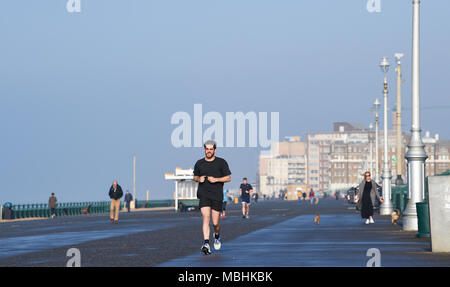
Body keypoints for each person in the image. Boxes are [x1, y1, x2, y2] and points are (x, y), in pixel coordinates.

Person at [194, 140, 231, 255]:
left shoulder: (221, 162)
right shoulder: (199, 163)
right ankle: (206, 243)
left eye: (211, 149)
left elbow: (228, 178)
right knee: (206, 218)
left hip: (216, 195)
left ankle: (217, 236)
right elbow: (195, 176)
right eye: (207, 149)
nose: (209, 151)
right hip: (203, 194)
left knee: (215, 223)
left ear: (214, 150)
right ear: (204, 149)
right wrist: (198, 179)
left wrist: (216, 180)